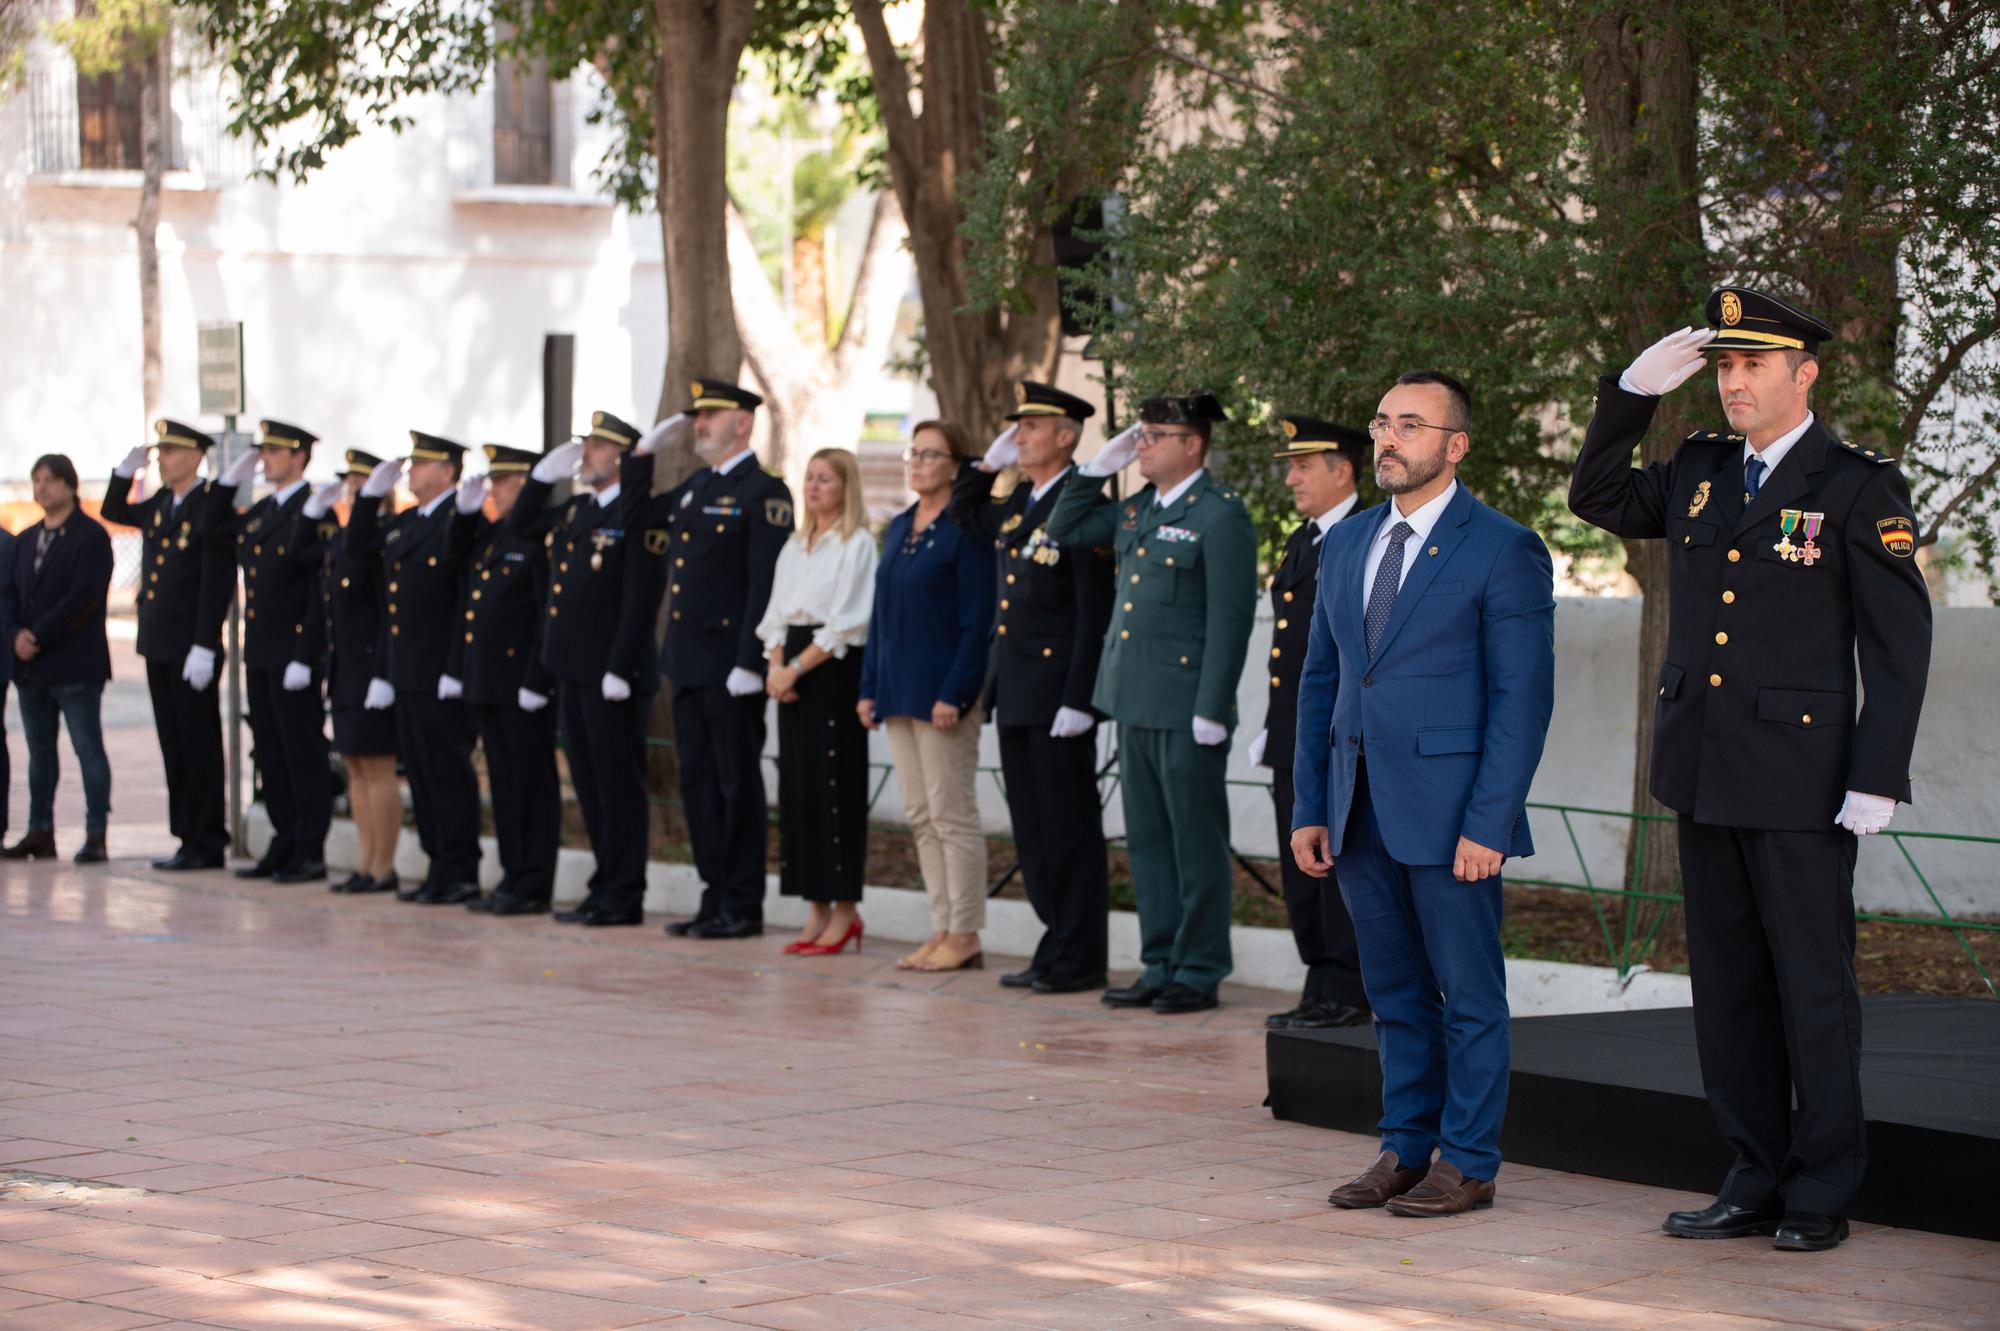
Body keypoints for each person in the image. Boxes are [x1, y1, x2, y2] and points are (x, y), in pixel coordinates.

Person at [1568, 291, 1932, 1253]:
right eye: (1724, 367)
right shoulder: (1696, 470)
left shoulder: (1855, 485)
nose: (1732, 382)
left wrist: (1877, 774)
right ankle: (1751, 1172)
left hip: (1805, 780)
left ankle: (1819, 1185)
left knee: (1812, 986)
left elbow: (1900, 645)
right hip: (1704, 769)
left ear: (1804, 375)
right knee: (1728, 989)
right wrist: (1630, 394)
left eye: (1752, 366)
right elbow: (1595, 498)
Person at [1293, 370, 1555, 1218]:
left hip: (1454, 820)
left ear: (1456, 444)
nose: (1388, 438)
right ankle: (1405, 1147)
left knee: (1469, 996)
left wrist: (1489, 821)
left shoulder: (1503, 547)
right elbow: (1321, 682)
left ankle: (1469, 1159)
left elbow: (1523, 700)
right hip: (1359, 807)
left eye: (1411, 424)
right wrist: (1311, 804)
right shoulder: (1348, 542)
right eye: (1381, 422)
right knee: (1395, 993)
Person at [1047, 391, 1258, 1014]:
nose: (1140, 444)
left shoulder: (1220, 517)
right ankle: (1159, 961)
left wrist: (1212, 708)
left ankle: (1198, 969)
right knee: (1146, 843)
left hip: (1186, 707)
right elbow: (1063, 530)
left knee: (1194, 844)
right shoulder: (1138, 509)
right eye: (1138, 435)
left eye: (1152, 435)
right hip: (1133, 699)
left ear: (1191, 444)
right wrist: (1094, 469)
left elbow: (1230, 621)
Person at [950, 382, 1116, 993]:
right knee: (1034, 831)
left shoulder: (1086, 503)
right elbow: (964, 514)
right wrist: (985, 465)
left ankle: (1081, 955)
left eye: (1032, 427)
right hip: (1016, 686)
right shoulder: (1020, 500)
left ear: (1067, 436)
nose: (1020, 436)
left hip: (1058, 695)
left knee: (1069, 828)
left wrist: (1080, 698)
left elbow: (1091, 613)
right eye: (1016, 427)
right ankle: (1055, 943)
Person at [625, 379, 793, 940]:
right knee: (697, 782)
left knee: (735, 784)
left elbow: (763, 583)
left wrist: (750, 659)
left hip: (731, 666)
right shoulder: (696, 485)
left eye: (711, 415)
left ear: (743, 423)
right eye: (697, 416)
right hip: (688, 661)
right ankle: (712, 896)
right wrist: (642, 457)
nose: (699, 423)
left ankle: (742, 903)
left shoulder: (764, 492)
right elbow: (637, 517)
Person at [508, 413, 668, 926]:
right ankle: (604, 885)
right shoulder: (577, 510)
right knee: (591, 784)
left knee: (618, 786)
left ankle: (624, 892)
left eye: (598, 447)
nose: (587, 455)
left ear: (623, 457)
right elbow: (521, 525)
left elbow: (641, 600)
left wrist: (620, 667)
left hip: (611, 677)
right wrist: (538, 479)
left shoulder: (634, 514)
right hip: (572, 671)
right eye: (588, 445)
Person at [858, 420, 997, 972]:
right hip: (898, 689)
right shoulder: (896, 527)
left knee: (951, 813)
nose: (916, 463)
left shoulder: (968, 530)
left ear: (956, 466)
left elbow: (977, 621)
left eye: (930, 454)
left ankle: (965, 932)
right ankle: (940, 926)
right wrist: (869, 687)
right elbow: (880, 612)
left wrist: (956, 692)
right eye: (912, 453)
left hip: (943, 695)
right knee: (919, 813)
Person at [1252, 417, 1370, 1030]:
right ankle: (1319, 979)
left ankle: (1350, 987)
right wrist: (1273, 727)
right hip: (1295, 735)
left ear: (1342, 470)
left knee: (1337, 865)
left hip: (1337, 736)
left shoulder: (1363, 536)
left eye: (1303, 465)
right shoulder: (1308, 539)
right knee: (1301, 867)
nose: (1291, 477)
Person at [345, 436, 482, 904]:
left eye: (422, 464)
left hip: (441, 673)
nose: (412, 471)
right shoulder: (407, 523)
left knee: (448, 775)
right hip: (405, 671)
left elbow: (462, 597)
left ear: (448, 471)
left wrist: (455, 668)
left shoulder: (459, 520)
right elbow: (359, 551)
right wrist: (366, 499)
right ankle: (437, 866)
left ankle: (460, 868)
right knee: (421, 776)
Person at [99, 420, 237, 871]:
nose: (162, 458)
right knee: (173, 745)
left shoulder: (209, 505)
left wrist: (204, 642)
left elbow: (215, 582)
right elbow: (115, 510)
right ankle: (186, 836)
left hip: (191, 646)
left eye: (172, 451)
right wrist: (125, 473)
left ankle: (208, 839)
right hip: (158, 642)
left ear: (197, 456)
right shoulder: (162, 502)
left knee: (199, 745)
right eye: (160, 452)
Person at [756, 447, 877, 955]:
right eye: (809, 478)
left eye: (825, 479)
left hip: (832, 670)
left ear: (846, 487)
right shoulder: (795, 545)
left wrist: (794, 668)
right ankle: (814, 907)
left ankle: (846, 909)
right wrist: (775, 667)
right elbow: (777, 614)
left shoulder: (857, 545)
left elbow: (848, 621)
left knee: (834, 788)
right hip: (793, 671)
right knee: (799, 790)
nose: (814, 487)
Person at [216, 421, 331, 881]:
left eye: (275, 452)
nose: (265, 459)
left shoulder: (316, 509)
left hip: (295, 654)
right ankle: (284, 840)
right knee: (271, 751)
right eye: (262, 452)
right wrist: (226, 483)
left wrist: (306, 656)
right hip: (261, 650)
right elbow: (211, 527)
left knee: (302, 752)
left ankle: (311, 847)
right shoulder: (263, 511)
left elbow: (317, 593)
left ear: (300, 457)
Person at [450, 445, 560, 915]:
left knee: (532, 784)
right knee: (503, 782)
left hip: (522, 685)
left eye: (503, 483)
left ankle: (534, 881)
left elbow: (544, 617)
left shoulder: (539, 538)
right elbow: (453, 557)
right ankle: (514, 874)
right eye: (492, 482)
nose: (494, 490)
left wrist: (537, 678)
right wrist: (464, 511)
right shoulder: (492, 536)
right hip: (488, 681)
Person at [2, 454, 115, 863]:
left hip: (74, 663)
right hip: (33, 666)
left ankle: (96, 833)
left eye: (50, 480)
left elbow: (82, 598)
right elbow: (12, 593)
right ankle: (40, 830)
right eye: (36, 480)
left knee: (87, 747)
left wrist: (39, 634)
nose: (42, 488)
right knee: (39, 753)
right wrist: (15, 634)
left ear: (70, 484)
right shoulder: (28, 538)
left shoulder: (90, 536)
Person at [301, 450, 401, 896]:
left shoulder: (381, 537)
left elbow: (386, 610)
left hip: (371, 670)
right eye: (350, 483)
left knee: (378, 767)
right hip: (345, 669)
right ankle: (364, 862)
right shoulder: (341, 540)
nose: (353, 491)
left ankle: (383, 866)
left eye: (362, 483)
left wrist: (384, 670)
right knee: (356, 766)